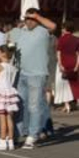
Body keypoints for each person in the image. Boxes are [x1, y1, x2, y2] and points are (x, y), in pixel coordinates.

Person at [8, 8, 57, 146]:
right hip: (21, 73)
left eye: (32, 19)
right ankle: (17, 134)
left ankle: (32, 135)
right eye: (27, 18)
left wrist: (37, 16)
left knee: (34, 106)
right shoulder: (20, 31)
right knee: (19, 105)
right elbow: (13, 49)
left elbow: (53, 26)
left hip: (37, 74)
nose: (29, 21)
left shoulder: (43, 31)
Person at [0, 44, 22, 151]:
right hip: (10, 92)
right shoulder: (13, 67)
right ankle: (10, 140)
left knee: (2, 118)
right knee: (9, 118)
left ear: (2, 53)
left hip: (1, 92)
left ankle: (2, 140)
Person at [57, 20, 79, 111]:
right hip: (73, 63)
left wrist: (60, 64)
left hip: (64, 63)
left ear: (65, 29)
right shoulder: (76, 39)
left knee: (64, 85)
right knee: (75, 84)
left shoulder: (61, 39)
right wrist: (77, 65)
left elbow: (58, 53)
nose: (61, 29)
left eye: (62, 28)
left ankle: (67, 105)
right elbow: (78, 54)